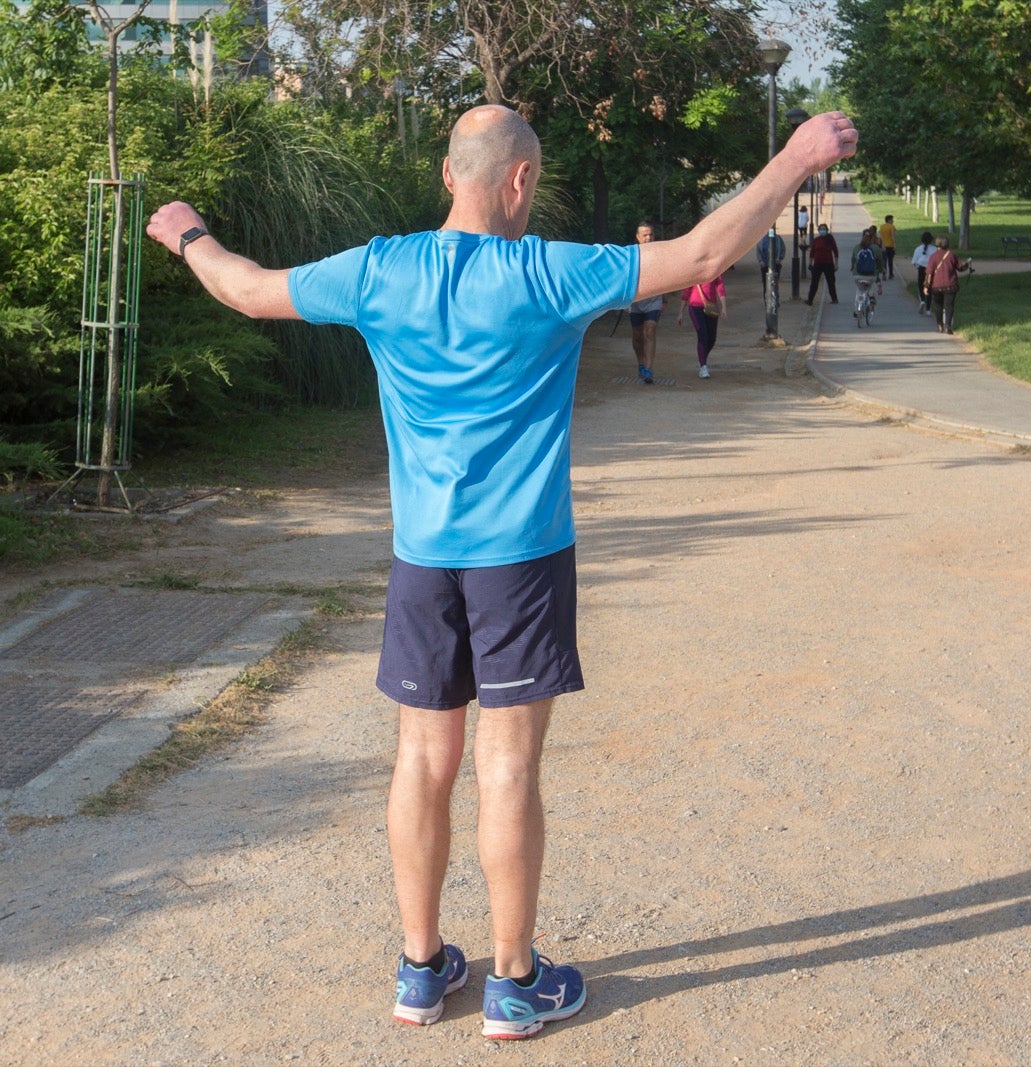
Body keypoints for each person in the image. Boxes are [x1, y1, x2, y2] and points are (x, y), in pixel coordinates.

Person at [145, 104, 857, 1039]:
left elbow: (244, 289)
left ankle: (419, 966)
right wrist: (797, 158)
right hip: (520, 560)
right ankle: (514, 980)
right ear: (519, 181)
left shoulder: (378, 269)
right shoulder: (547, 273)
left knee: (422, 760)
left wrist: (187, 230)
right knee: (508, 763)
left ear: (450, 176)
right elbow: (699, 257)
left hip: (422, 561)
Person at [628, 222, 662, 383]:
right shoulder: (632, 254)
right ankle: (641, 363)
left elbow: (667, 275)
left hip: (654, 299)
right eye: (645, 235)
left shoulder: (660, 253)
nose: (648, 238)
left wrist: (666, 298)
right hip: (636, 300)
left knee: (650, 330)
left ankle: (648, 369)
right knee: (637, 335)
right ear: (637, 237)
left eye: (651, 234)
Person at [677, 273, 726, 378]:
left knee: (712, 338)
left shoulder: (715, 269)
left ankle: (702, 358)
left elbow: (720, 286)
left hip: (711, 307)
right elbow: (687, 291)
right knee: (702, 334)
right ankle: (703, 365)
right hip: (695, 307)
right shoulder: (694, 271)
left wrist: (724, 307)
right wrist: (681, 311)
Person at [923, 234, 972, 334]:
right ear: (947, 244)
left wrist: (926, 286)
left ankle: (939, 325)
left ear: (937, 244)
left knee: (938, 305)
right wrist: (967, 264)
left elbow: (929, 273)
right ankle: (948, 326)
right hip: (950, 285)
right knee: (949, 306)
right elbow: (960, 268)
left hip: (936, 286)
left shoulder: (933, 257)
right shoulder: (951, 255)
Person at [849, 228, 880, 317]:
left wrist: (852, 268)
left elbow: (853, 259)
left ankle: (857, 309)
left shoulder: (856, 247)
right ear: (873, 237)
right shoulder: (876, 248)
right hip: (871, 275)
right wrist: (881, 270)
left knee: (860, 290)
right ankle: (871, 298)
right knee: (869, 288)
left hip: (857, 275)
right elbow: (880, 262)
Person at [806, 223, 839, 305]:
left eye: (824, 229)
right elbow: (812, 252)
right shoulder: (816, 240)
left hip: (828, 264)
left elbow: (835, 251)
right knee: (814, 283)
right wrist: (810, 263)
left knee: (831, 282)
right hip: (817, 264)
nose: (822, 231)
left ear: (827, 230)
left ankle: (834, 299)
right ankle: (810, 300)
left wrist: (836, 264)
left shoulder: (830, 239)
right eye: (821, 229)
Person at [910, 231, 936, 315]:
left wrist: (918, 267)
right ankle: (928, 309)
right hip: (931, 270)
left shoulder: (918, 249)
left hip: (921, 269)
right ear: (931, 240)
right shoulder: (934, 249)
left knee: (921, 286)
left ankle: (922, 300)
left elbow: (914, 262)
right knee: (929, 288)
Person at [756, 227, 785, 298]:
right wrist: (761, 261)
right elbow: (758, 250)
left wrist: (780, 258)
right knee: (765, 284)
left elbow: (783, 249)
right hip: (765, 265)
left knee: (775, 283)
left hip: (776, 264)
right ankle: (767, 300)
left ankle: (775, 299)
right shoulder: (762, 239)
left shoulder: (778, 238)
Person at [879, 213, 897, 278]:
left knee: (884, 261)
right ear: (889, 220)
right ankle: (890, 274)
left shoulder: (882, 226)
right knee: (890, 261)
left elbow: (880, 236)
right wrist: (895, 245)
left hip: (883, 246)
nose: (893, 221)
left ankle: (884, 274)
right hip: (890, 246)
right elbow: (893, 236)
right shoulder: (892, 226)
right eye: (892, 219)